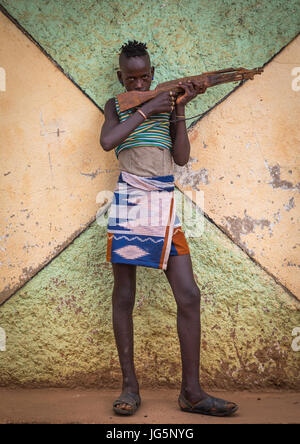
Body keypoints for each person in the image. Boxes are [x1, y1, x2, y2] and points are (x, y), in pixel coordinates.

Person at [100, 40, 238, 417]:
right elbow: (107, 141)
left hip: (163, 203)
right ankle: (130, 388)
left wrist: (179, 108)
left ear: (154, 75)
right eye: (132, 79)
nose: (139, 84)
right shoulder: (117, 106)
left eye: (145, 77)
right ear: (120, 78)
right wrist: (146, 111)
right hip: (130, 200)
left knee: (189, 294)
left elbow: (180, 158)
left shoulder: (166, 104)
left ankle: (191, 392)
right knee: (124, 295)